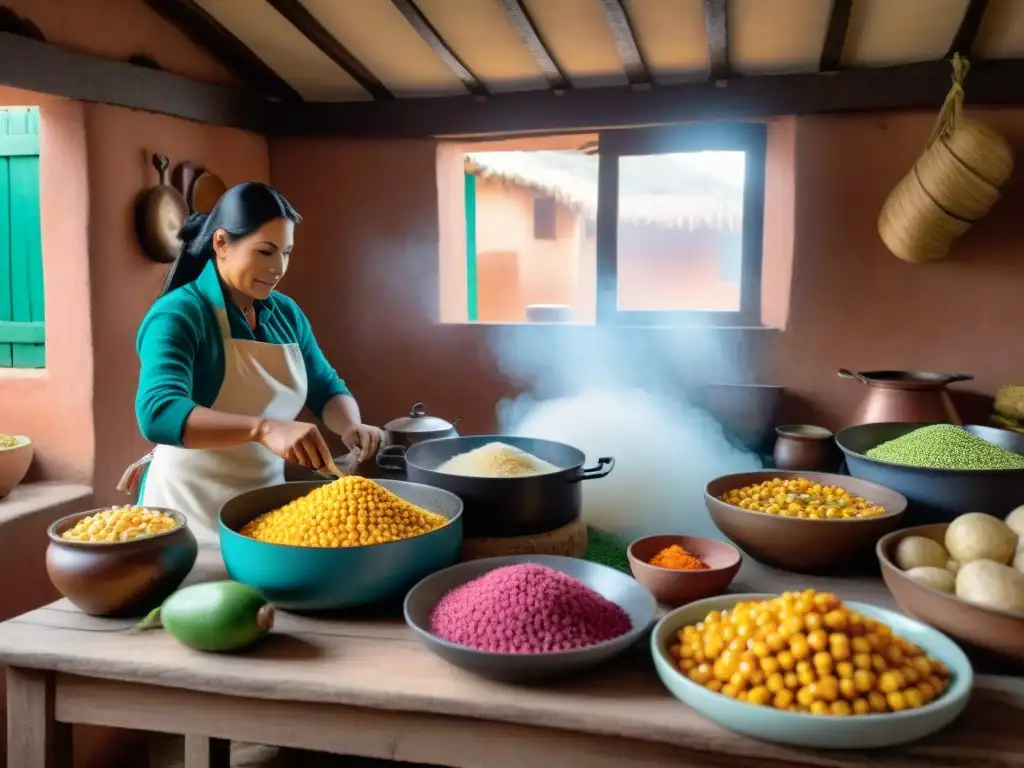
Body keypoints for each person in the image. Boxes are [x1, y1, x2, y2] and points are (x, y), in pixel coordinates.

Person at [121, 182, 382, 545]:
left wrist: (350, 426)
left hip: (261, 510)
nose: (278, 268)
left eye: (286, 253)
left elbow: (325, 385)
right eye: (265, 251)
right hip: (186, 512)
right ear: (221, 243)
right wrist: (262, 429)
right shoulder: (178, 314)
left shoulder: (285, 313)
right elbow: (158, 412)